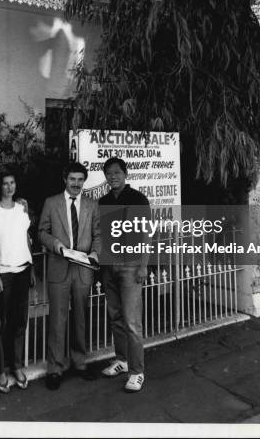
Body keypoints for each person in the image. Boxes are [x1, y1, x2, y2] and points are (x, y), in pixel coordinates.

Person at [38, 162, 101, 390]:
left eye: (80, 180)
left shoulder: (92, 205)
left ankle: (80, 363)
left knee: (81, 319)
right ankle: (55, 369)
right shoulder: (51, 203)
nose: (76, 184)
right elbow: (42, 232)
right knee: (57, 319)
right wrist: (57, 246)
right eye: (72, 179)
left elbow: (98, 234)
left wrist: (95, 252)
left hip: (83, 268)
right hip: (59, 265)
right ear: (65, 179)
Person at [98, 157, 151, 393]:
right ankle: (122, 360)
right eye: (109, 173)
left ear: (125, 174)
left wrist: (143, 265)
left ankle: (137, 372)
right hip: (109, 266)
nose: (113, 177)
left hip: (131, 265)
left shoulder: (138, 199)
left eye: (117, 173)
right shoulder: (104, 201)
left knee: (132, 322)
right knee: (116, 318)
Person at [0, 166, 35, 393]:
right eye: (5, 183)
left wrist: (32, 268)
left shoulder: (21, 208)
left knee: (19, 323)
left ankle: (16, 366)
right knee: (0, 324)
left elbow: (26, 239)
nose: (9, 187)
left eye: (12, 183)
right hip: (2, 273)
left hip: (22, 272)